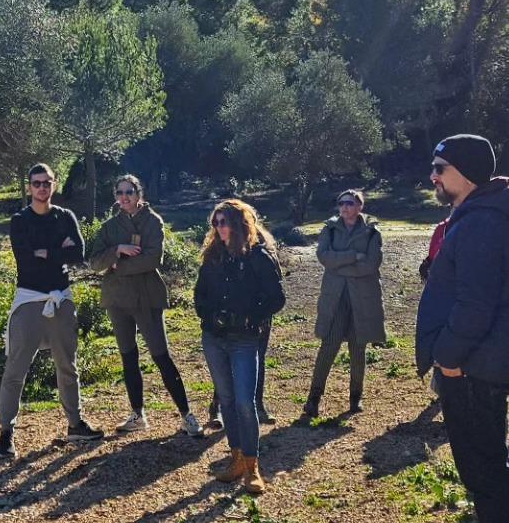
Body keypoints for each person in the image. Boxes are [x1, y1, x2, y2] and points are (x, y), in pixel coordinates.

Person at [417, 133, 509, 523]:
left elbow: (474, 305)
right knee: (493, 463)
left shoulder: (482, 224)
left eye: (440, 168)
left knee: (484, 469)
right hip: (479, 364)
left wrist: (447, 358)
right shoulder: (482, 216)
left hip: (473, 368)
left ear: (465, 174)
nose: (433, 177)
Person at [0, 164, 103, 459]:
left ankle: (75, 424)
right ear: (29, 186)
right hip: (29, 300)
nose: (42, 188)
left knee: (67, 365)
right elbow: (26, 261)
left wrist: (45, 252)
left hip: (60, 298)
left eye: (47, 183)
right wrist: (58, 251)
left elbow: (77, 254)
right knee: (16, 368)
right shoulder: (20, 221)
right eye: (37, 183)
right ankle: (6, 432)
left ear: (54, 185)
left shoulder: (65, 217)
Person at [85, 176, 203, 438]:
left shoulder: (153, 222)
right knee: (128, 357)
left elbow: (152, 259)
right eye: (120, 192)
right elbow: (94, 262)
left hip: (147, 299)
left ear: (139, 193)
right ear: (115, 195)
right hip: (117, 300)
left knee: (161, 356)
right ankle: (138, 414)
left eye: (130, 191)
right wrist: (118, 249)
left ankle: (186, 415)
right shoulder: (109, 228)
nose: (125, 196)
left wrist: (116, 266)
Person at [193, 199, 286, 495]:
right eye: (216, 223)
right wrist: (211, 317)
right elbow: (200, 296)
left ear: (239, 223)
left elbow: (276, 298)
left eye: (225, 221)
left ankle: (253, 466)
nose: (220, 228)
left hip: (245, 338)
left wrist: (251, 317)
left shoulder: (258, 256)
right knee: (228, 401)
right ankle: (235, 460)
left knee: (246, 403)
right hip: (215, 338)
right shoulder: (213, 256)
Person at [301, 190, 386, 419]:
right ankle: (313, 400)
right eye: (341, 203)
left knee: (358, 349)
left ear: (360, 206)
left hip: (361, 299)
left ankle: (355, 398)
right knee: (328, 347)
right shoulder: (329, 229)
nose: (344, 207)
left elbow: (371, 264)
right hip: (336, 298)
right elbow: (324, 257)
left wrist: (340, 265)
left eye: (349, 203)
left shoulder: (371, 232)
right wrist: (352, 256)